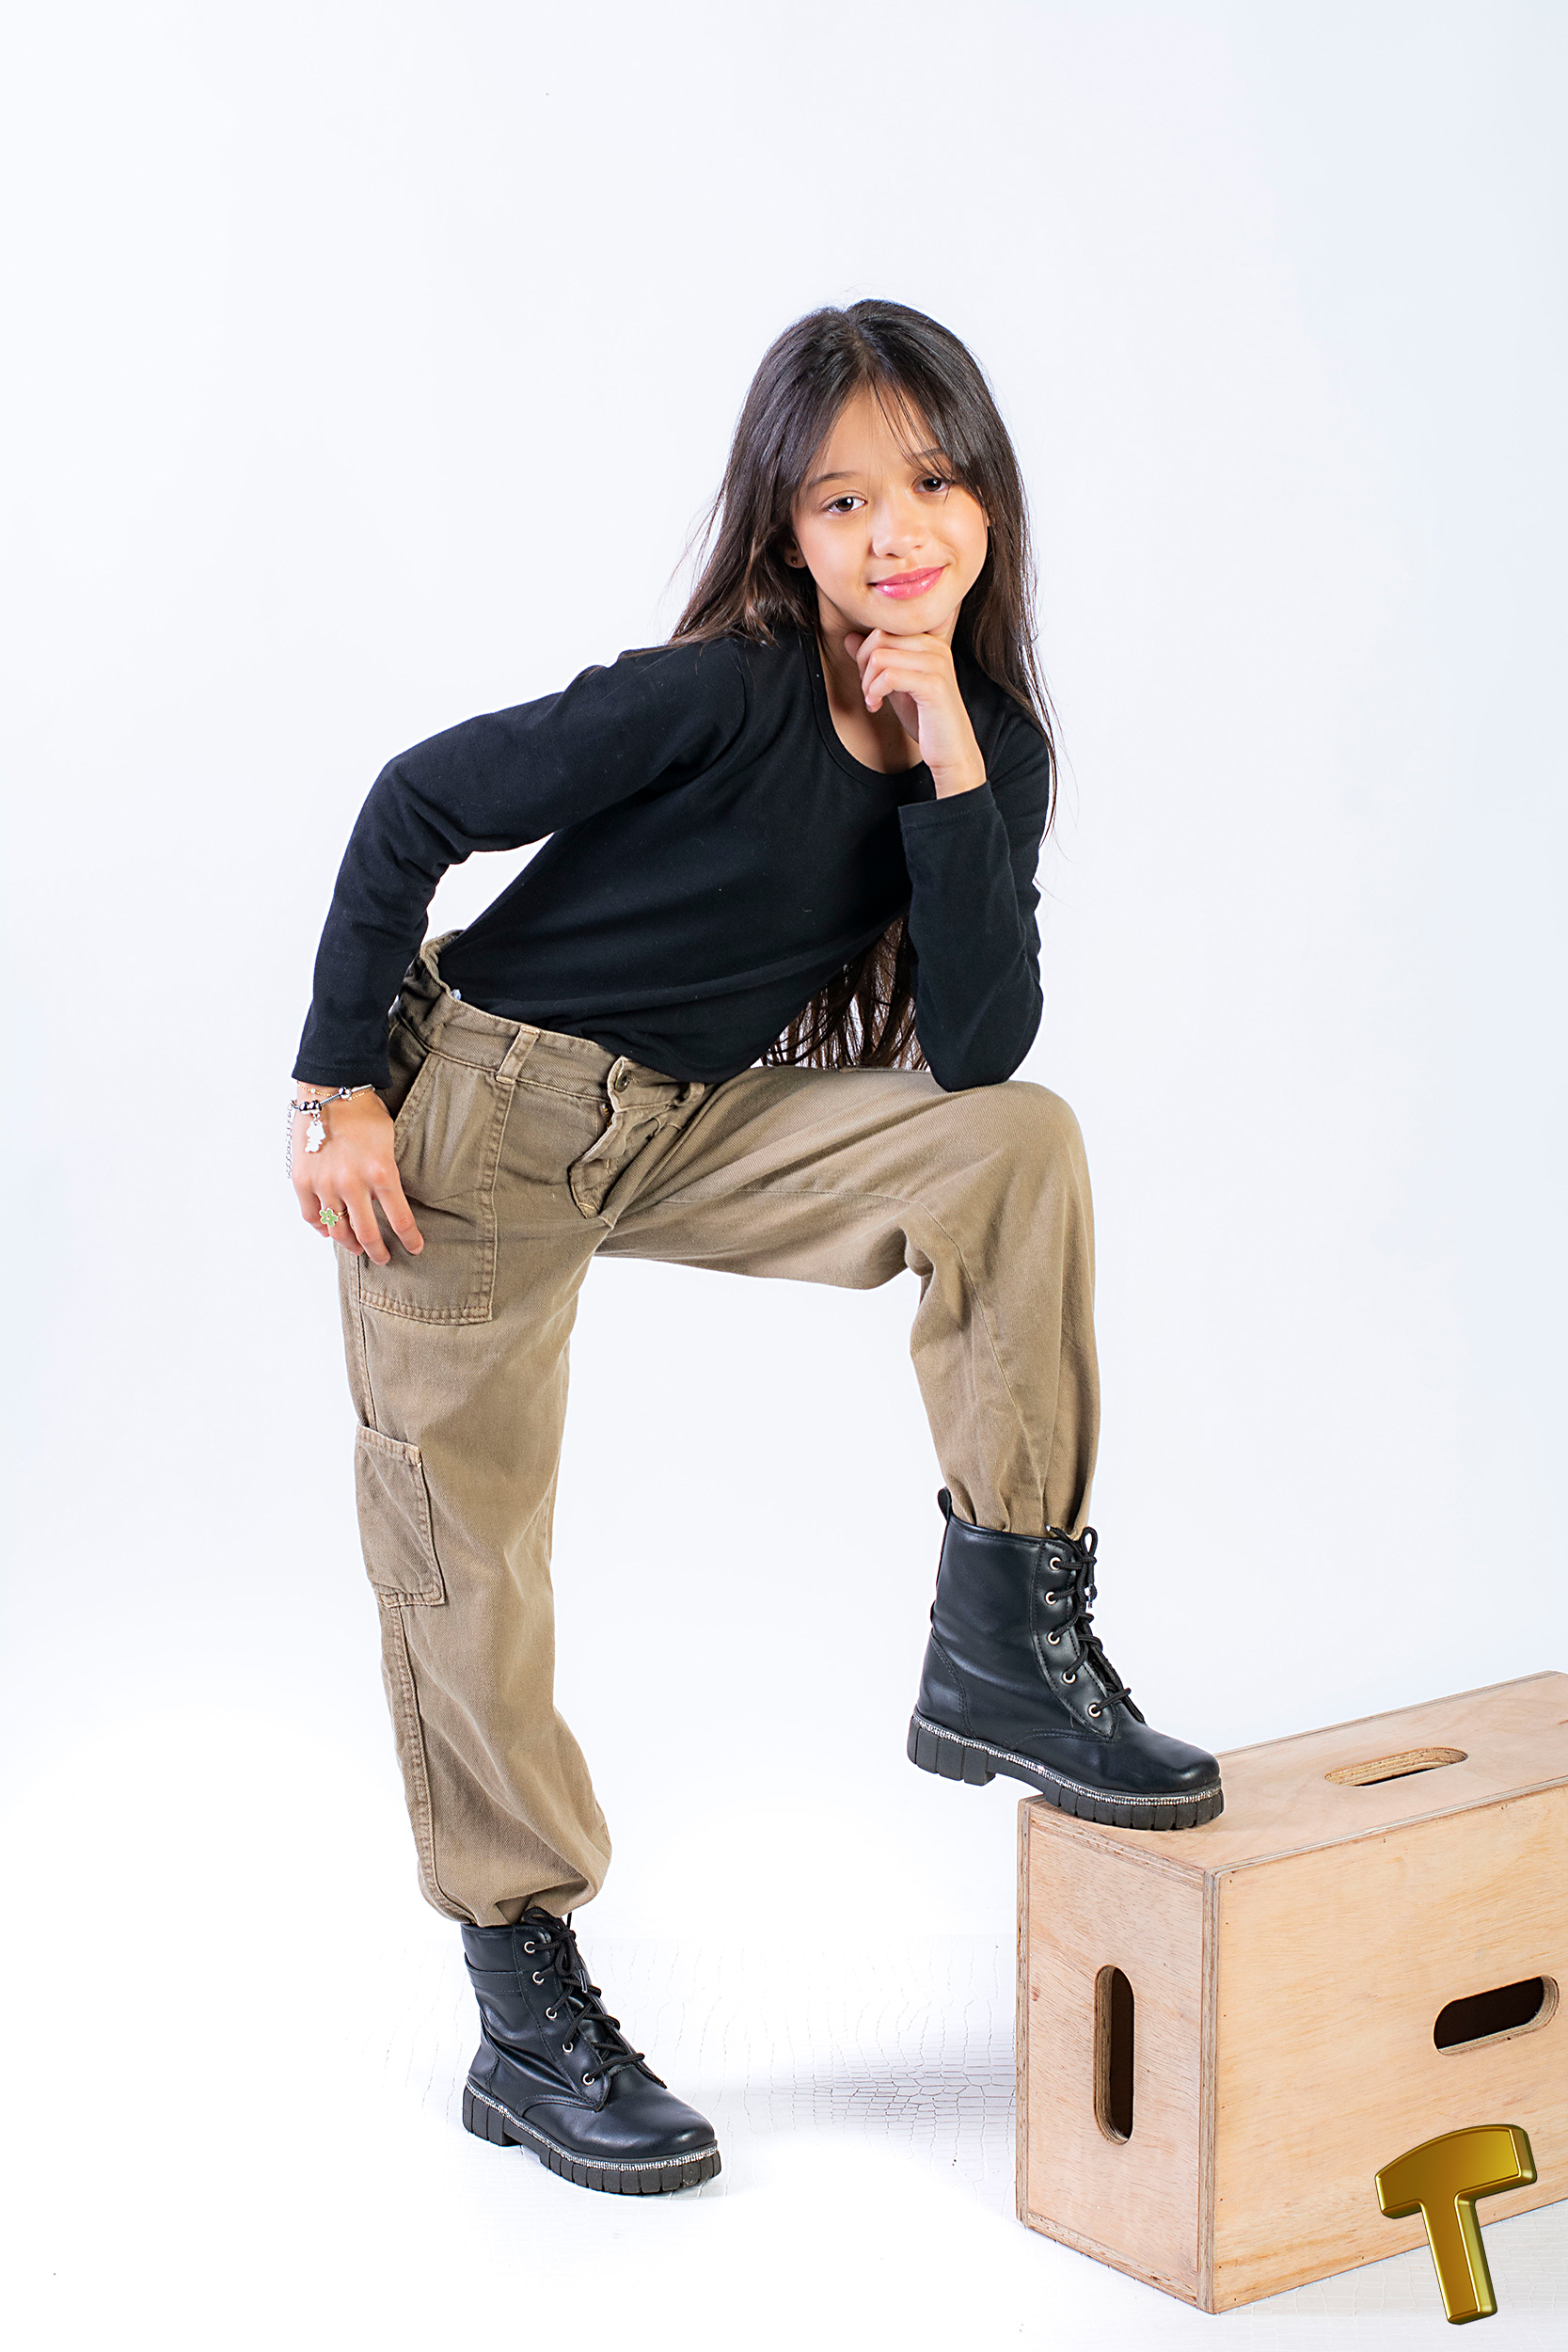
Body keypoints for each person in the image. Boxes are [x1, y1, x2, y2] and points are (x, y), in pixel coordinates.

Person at [289, 298, 1222, 2200]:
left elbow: (979, 1050)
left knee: (1016, 1148)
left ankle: (1006, 1636)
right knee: (472, 1560)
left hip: (690, 1122)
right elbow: (419, 799)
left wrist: (946, 753)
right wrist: (338, 1085)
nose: (897, 530)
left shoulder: (990, 744)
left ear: (989, 500)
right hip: (482, 1125)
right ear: (787, 534)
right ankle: (523, 2001)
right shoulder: (720, 689)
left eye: (932, 482)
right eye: (842, 499)